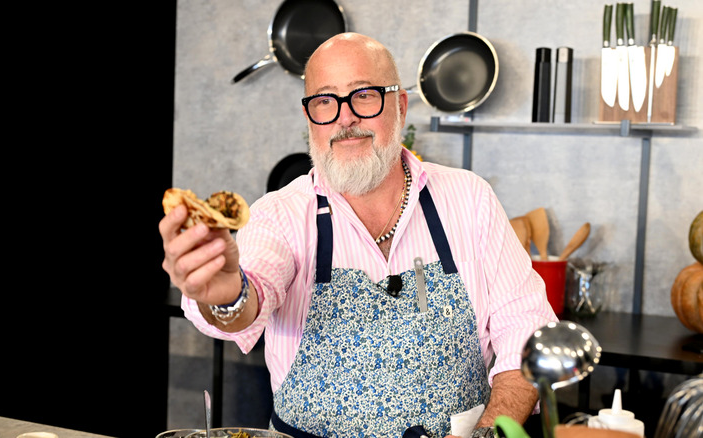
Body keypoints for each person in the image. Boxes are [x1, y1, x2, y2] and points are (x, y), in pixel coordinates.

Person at [160, 32, 557, 438]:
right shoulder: (281, 214)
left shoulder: (470, 199)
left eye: (364, 94)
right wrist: (228, 295)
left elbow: (528, 336)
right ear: (309, 118)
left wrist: (488, 433)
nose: (344, 118)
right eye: (325, 101)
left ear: (399, 105)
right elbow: (252, 291)